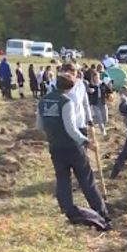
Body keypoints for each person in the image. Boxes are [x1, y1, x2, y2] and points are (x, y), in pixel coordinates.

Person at [35, 69, 109, 229]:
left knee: (63, 179)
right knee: (86, 180)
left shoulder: (42, 101)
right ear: (69, 88)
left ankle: (67, 209)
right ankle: (101, 212)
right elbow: (71, 129)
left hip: (55, 147)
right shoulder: (66, 102)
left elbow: (39, 126)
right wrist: (87, 142)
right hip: (73, 148)